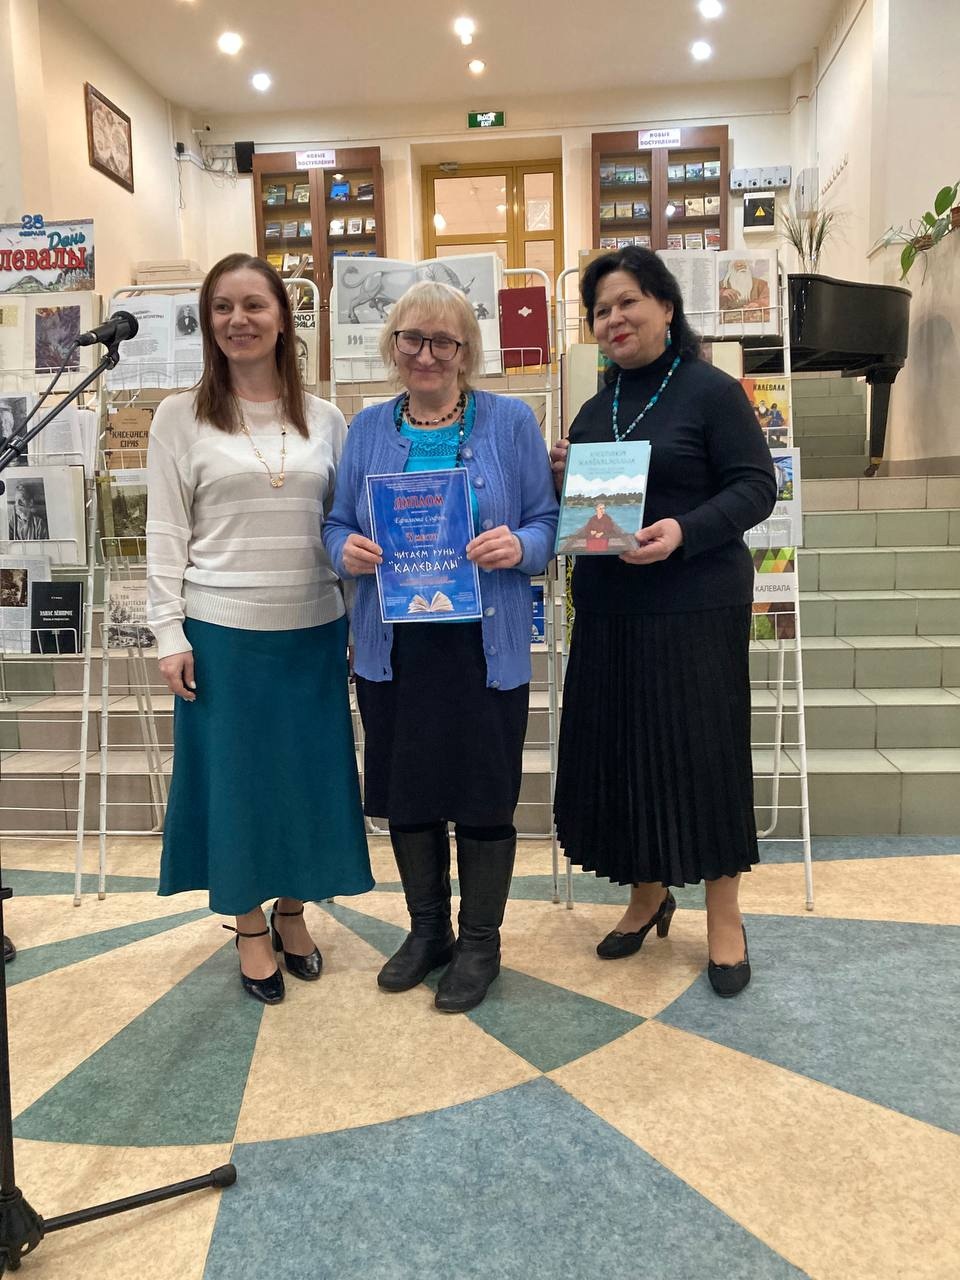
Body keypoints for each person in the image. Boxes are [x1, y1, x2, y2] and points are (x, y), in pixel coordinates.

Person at [324, 280, 558, 1013]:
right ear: (391, 344)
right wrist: (345, 551)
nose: (425, 355)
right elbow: (335, 523)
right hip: (394, 649)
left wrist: (519, 545)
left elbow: (547, 522)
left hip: (484, 650)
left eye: (443, 342)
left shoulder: (510, 422)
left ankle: (480, 942)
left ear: (466, 351)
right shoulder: (367, 428)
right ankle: (428, 931)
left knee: (485, 796)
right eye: (411, 339)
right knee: (409, 793)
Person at [146, 252, 373, 1005]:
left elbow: (342, 526)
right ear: (207, 322)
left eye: (254, 305)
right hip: (222, 634)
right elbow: (165, 532)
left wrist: (357, 619)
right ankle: (248, 924)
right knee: (236, 786)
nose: (238, 320)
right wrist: (168, 632)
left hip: (313, 630)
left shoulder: (328, 419)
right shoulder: (180, 416)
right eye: (222, 307)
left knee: (307, 780)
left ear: (283, 318)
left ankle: (293, 912)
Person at [551, 246, 776, 997]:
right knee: (625, 757)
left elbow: (756, 487)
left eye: (627, 302)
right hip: (611, 611)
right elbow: (594, 517)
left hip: (696, 606)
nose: (613, 319)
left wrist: (683, 531)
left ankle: (724, 915)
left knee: (704, 758)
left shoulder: (711, 391)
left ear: (667, 307)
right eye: (600, 310)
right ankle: (647, 896)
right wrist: (567, 478)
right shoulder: (595, 409)